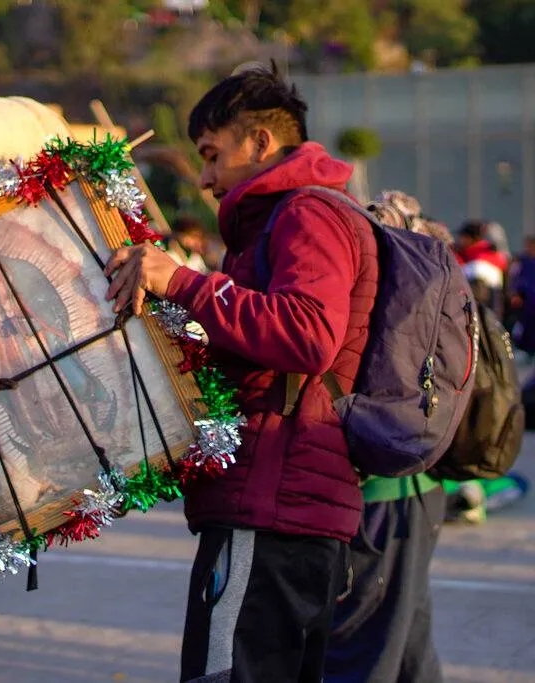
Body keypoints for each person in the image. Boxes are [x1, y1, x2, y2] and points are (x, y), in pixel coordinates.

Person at [104, 63, 375, 682]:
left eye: (211, 154)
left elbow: (308, 334)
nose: (204, 178)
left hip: (272, 503)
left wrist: (181, 280)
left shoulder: (307, 214)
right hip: (291, 503)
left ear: (259, 142)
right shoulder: (287, 218)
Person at [323, 190, 450, 683]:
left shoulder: (379, 291)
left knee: (362, 651)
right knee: (409, 640)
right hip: (421, 488)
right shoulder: (427, 284)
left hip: (379, 494)